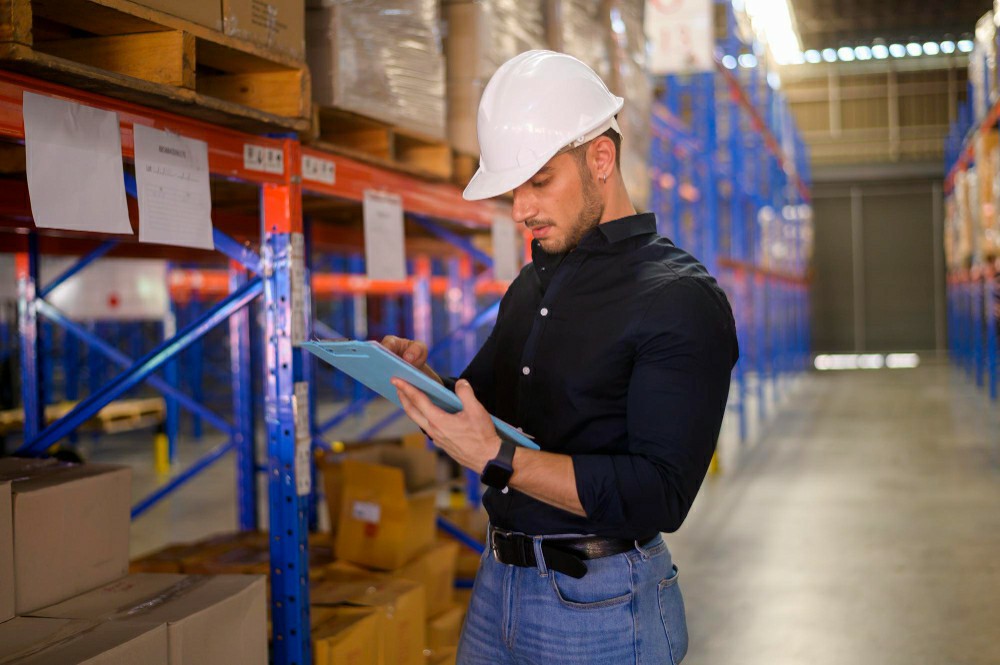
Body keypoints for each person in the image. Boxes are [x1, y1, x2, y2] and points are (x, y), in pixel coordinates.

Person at [384, 50, 738, 664]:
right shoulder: (532, 285)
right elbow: (484, 405)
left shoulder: (679, 298)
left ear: (600, 157)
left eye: (539, 181)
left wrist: (498, 460)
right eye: (513, 189)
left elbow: (660, 495)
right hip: (499, 584)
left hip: (601, 607)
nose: (521, 209)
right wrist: (428, 386)